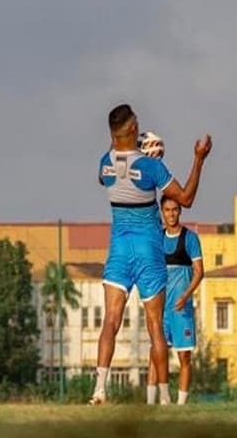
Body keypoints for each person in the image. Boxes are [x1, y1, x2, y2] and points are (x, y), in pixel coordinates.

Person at [91, 104, 210, 405]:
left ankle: (99, 390)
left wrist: (120, 145)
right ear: (132, 130)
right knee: (155, 325)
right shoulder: (152, 168)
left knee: (110, 321)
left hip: (119, 248)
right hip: (148, 249)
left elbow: (106, 173)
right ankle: (167, 399)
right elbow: (186, 199)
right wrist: (198, 159)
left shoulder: (105, 164)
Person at [146, 167, 204, 405]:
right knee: (155, 356)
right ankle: (152, 402)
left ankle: (181, 405)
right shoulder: (156, 238)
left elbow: (200, 273)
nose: (171, 214)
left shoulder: (190, 239)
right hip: (160, 311)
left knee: (184, 358)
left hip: (181, 310)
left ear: (180, 211)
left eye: (175, 210)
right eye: (167, 210)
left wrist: (185, 296)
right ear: (162, 212)